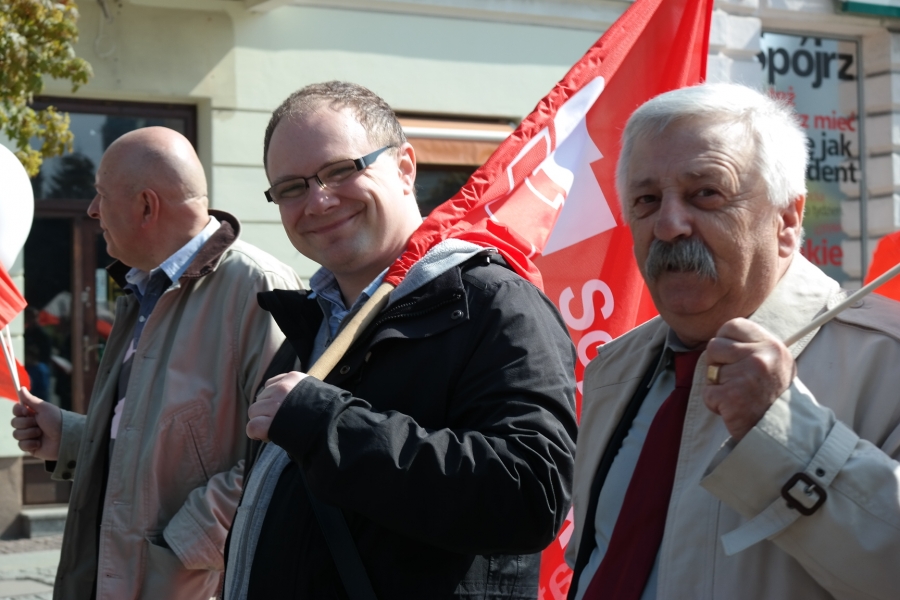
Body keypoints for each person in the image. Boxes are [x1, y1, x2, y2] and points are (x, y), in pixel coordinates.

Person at [221, 81, 578, 599]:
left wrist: (325, 424)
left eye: (340, 170)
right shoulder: (311, 326)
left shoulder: (494, 303)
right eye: (292, 187)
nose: (318, 200)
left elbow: (531, 494)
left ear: (405, 167)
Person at [565, 83, 900, 600]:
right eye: (647, 200)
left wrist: (785, 429)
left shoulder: (887, 363)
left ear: (787, 219)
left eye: (706, 193)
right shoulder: (614, 369)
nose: (669, 225)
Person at [10, 127, 302, 600]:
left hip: (186, 586)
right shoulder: (140, 288)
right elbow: (166, 440)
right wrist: (73, 438)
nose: (91, 210)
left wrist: (188, 541)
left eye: (101, 195)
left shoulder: (258, 286)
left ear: (147, 206)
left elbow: (288, 453)